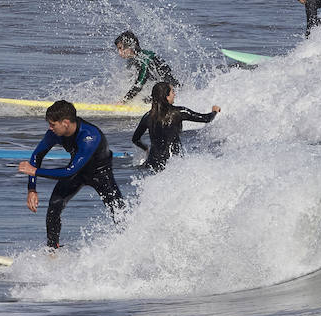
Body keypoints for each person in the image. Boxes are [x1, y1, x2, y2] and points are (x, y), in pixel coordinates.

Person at [17, 101, 126, 248]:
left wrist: (35, 172)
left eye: (52, 124)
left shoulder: (90, 136)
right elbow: (37, 157)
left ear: (65, 123)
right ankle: (52, 250)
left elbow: (69, 171)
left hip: (100, 173)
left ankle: (128, 245)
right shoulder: (54, 134)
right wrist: (31, 189)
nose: (50, 128)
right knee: (54, 205)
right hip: (77, 172)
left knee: (118, 210)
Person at [131, 82, 220, 173]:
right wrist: (214, 111)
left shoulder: (148, 116)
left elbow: (135, 139)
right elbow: (206, 118)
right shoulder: (179, 112)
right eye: (172, 92)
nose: (175, 94)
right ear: (167, 96)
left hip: (152, 163)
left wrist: (146, 148)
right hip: (173, 164)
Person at [114, 30, 177, 102]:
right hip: (164, 90)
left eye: (120, 48)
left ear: (130, 46)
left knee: (146, 100)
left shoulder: (145, 58)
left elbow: (140, 82)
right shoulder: (132, 60)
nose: (119, 52)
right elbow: (134, 82)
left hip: (172, 92)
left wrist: (125, 100)